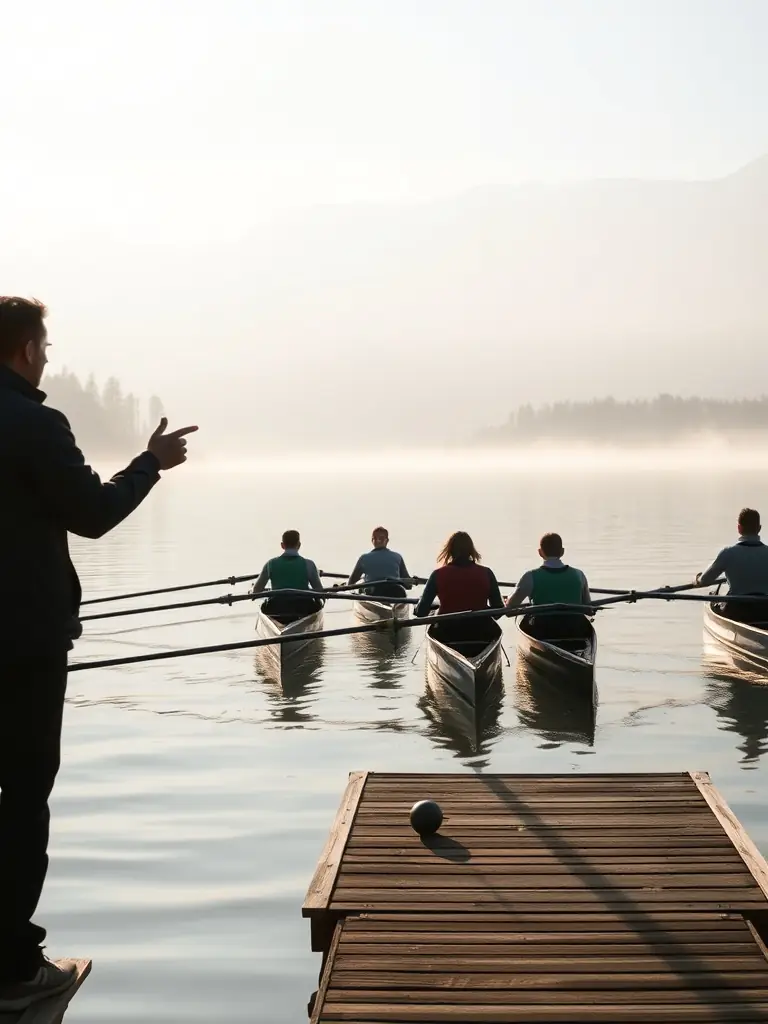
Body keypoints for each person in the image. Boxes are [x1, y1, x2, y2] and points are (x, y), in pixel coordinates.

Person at [0, 297, 197, 1009]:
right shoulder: (32, 421)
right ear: (25, 348)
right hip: (22, 643)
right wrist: (150, 463)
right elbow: (92, 514)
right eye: (44, 346)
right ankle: (15, 971)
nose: (48, 357)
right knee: (21, 798)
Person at [413, 531, 504, 643]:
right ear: (471, 551)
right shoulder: (487, 573)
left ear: (449, 551)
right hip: (481, 632)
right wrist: (482, 608)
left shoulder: (437, 575)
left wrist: (419, 605)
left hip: (447, 632)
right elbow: (498, 612)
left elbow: (421, 612)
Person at [505, 533, 591, 637]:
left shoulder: (530, 577)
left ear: (540, 553)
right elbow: (588, 608)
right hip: (574, 630)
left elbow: (510, 607)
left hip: (544, 631)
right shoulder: (579, 575)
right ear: (562, 552)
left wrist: (507, 601)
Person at [696, 508, 768, 622]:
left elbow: (705, 581)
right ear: (759, 528)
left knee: (714, 599)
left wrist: (697, 579)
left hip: (736, 611)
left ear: (739, 528)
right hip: (765, 610)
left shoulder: (728, 553)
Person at [251, 530, 325, 618]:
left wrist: (267, 591)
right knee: (317, 602)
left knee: (266, 605)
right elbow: (319, 591)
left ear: (282, 545)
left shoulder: (270, 564)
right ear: (299, 545)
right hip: (303, 607)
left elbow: (256, 591)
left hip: (277, 607)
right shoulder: (309, 564)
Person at [347, 527, 413, 599]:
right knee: (399, 590)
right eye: (375, 538)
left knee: (362, 589)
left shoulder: (364, 558)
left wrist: (362, 580)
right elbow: (408, 585)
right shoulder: (397, 557)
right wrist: (413, 580)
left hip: (374, 593)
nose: (378, 540)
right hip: (396, 592)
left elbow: (350, 584)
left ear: (387, 540)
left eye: (380, 538)